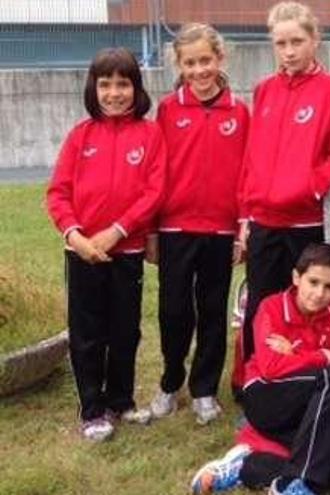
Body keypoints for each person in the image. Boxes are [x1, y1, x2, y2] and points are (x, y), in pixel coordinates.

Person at [46, 47, 165, 441]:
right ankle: (93, 409)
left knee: (125, 330)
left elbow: (154, 191)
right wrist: (75, 236)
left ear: (136, 87)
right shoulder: (81, 136)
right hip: (82, 254)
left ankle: (121, 401)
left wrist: (117, 230)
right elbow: (58, 193)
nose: (115, 93)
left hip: (126, 252)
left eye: (123, 84)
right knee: (87, 333)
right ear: (93, 88)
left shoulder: (150, 134)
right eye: (106, 84)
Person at [190, 243, 330, 495]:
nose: (319, 293)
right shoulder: (271, 307)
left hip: (308, 408)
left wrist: (296, 354)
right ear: (297, 277)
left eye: (329, 287)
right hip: (266, 397)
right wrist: (323, 356)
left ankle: (244, 467)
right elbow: (271, 368)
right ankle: (296, 484)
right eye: (313, 282)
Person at [237, 1, 330, 364]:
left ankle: (301, 374)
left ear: (315, 39)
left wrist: (307, 187)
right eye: (280, 43)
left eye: (297, 41)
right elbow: (251, 158)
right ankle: (254, 380)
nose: (288, 52)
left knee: (307, 305)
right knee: (260, 304)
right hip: (263, 222)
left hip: (305, 222)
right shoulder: (264, 90)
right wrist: (245, 214)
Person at [148, 22, 250, 425]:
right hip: (175, 229)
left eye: (205, 60)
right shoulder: (168, 109)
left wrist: (242, 228)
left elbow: (247, 173)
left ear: (219, 59)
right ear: (179, 64)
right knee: (174, 311)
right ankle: (171, 383)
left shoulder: (240, 112)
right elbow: (155, 173)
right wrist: (152, 231)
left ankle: (205, 389)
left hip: (221, 231)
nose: (199, 70)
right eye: (190, 63)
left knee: (212, 311)